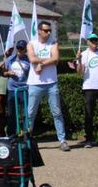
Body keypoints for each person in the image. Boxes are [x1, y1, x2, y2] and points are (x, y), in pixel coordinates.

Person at [26, 21, 70, 152]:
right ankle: (27, 139)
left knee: (57, 112)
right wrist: (45, 61)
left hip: (51, 83)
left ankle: (62, 140)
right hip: (35, 83)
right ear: (39, 31)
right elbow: (32, 59)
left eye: (49, 30)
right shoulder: (31, 44)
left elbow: (56, 59)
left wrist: (42, 64)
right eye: (46, 30)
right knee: (30, 113)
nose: (48, 32)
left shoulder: (53, 43)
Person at [72, 33, 98, 149]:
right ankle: (89, 139)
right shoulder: (84, 54)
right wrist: (79, 61)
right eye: (92, 41)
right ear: (88, 42)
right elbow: (79, 72)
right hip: (89, 87)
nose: (94, 43)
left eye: (96, 41)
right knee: (88, 115)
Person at [3, 40, 31, 137]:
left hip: (24, 89)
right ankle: (11, 134)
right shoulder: (10, 59)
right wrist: (8, 73)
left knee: (26, 113)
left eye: (21, 48)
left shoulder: (29, 60)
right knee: (12, 113)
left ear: (25, 49)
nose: (19, 50)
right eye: (18, 48)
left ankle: (26, 133)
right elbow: (4, 72)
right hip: (12, 89)